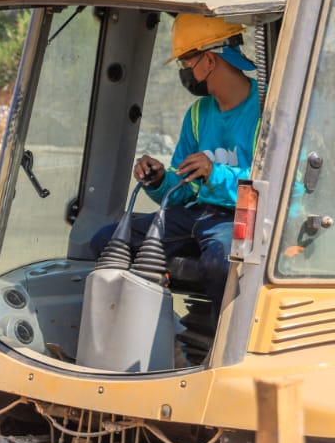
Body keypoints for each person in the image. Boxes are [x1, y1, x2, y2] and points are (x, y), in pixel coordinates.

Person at [91, 15, 261, 311]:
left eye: (186, 64)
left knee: (220, 264)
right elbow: (182, 188)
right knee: (107, 240)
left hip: (241, 220)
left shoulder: (267, 108)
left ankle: (227, 342)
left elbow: (287, 185)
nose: (185, 73)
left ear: (209, 60)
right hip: (198, 214)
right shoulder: (198, 113)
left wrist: (215, 173)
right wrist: (159, 181)